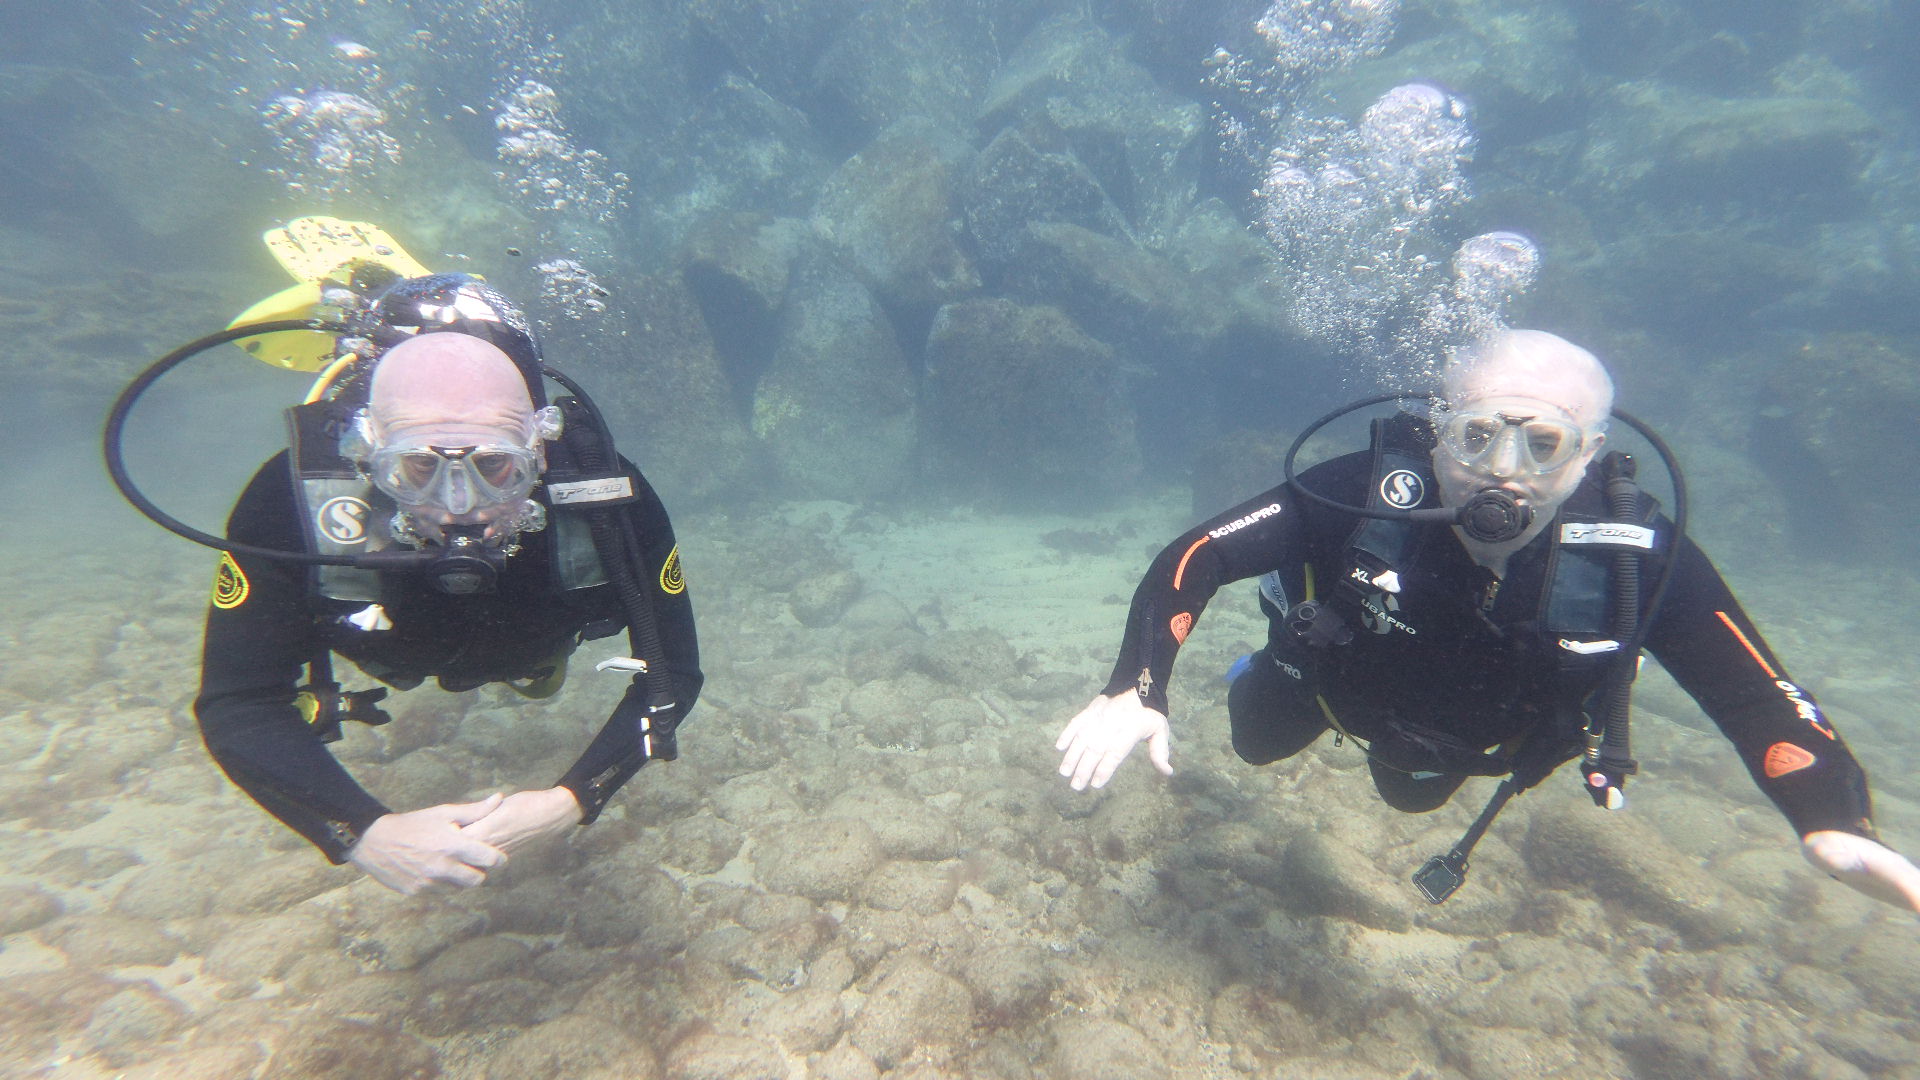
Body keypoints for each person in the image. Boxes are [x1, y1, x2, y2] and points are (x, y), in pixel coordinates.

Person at [1055, 329, 1920, 912]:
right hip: (1328, 677)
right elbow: (1196, 554)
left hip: (1467, 737)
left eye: (1542, 444)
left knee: (1407, 794)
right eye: (1476, 436)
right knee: (1253, 741)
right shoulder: (1368, 491)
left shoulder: (1637, 555)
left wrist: (1831, 816)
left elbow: (1757, 696)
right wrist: (1138, 686)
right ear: (1439, 433)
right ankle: (1270, 654)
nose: (1504, 473)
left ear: (1588, 454)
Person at [193, 272, 701, 896]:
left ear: (540, 451)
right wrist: (363, 832)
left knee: (538, 666)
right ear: (368, 451)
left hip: (533, 635)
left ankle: (539, 668)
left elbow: (674, 669)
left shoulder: (608, 496)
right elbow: (239, 702)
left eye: (496, 466)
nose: (461, 506)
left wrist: (572, 799)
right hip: (391, 647)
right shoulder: (292, 502)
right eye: (416, 468)